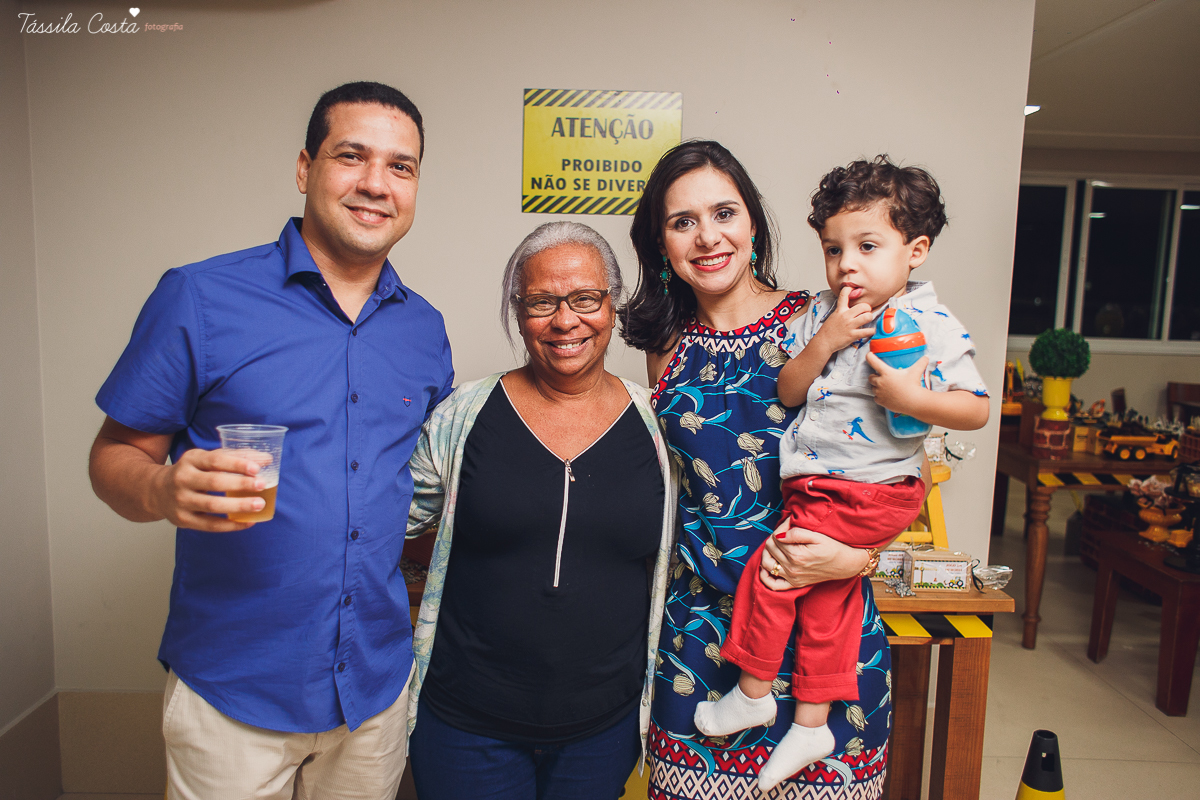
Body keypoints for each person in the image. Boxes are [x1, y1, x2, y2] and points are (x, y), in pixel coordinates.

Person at [88, 81, 453, 800]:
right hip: (234, 691)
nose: (376, 184)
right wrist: (161, 487)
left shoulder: (425, 330)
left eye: (400, 167)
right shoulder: (199, 296)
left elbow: (412, 488)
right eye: (352, 156)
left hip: (374, 692)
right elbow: (112, 459)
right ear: (304, 168)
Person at [620, 140, 927, 799]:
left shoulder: (824, 317)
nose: (708, 237)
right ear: (662, 245)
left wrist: (860, 560)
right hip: (700, 636)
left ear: (753, 223)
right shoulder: (667, 349)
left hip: (823, 628)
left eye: (724, 213)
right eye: (683, 222)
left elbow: (899, 464)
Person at [693, 155, 990, 789]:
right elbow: (788, 388)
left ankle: (752, 690)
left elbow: (976, 409)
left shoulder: (927, 324)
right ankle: (811, 723)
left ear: (915, 251)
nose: (846, 263)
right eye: (833, 248)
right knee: (828, 603)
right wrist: (825, 341)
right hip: (823, 488)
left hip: (865, 490)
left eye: (867, 245)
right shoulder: (821, 313)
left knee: (773, 573)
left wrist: (915, 401)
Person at [403, 221, 676, 800]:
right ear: (517, 310)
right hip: (464, 724)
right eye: (541, 302)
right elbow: (384, 520)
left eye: (584, 298)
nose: (564, 320)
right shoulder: (463, 416)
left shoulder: (661, 426)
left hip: (602, 729)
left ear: (612, 302)